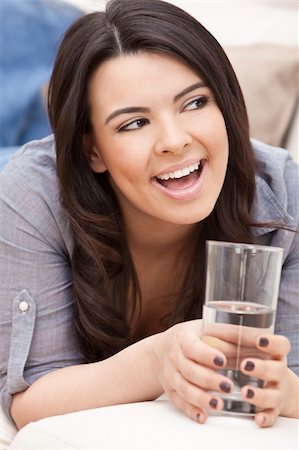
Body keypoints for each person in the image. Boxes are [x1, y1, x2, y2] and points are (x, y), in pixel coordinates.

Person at [0, 0, 298, 432]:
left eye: (195, 102)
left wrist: (285, 392)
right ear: (93, 149)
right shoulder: (32, 196)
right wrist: (157, 357)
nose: (174, 140)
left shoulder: (282, 196)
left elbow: (287, 372)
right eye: (133, 124)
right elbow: (29, 399)